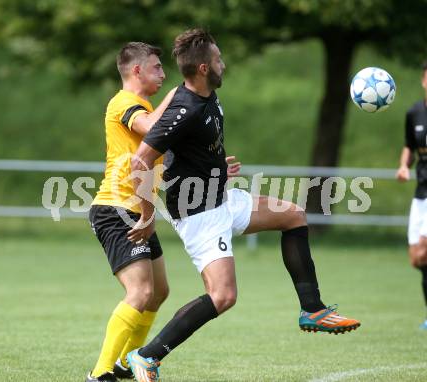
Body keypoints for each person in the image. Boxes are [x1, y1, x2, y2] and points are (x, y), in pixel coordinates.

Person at [126, 29, 361, 382]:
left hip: (222, 197)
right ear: (204, 68)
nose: (224, 64)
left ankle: (312, 310)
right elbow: (140, 162)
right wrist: (146, 216)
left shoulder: (208, 96)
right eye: (219, 60)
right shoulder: (184, 109)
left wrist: (217, 166)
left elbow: (192, 150)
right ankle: (146, 356)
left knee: (293, 215)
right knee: (222, 296)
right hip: (198, 212)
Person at [85, 42, 177, 382]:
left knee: (159, 292)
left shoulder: (144, 107)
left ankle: (128, 361)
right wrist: (179, 94)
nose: (163, 74)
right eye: (156, 67)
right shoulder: (125, 103)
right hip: (116, 208)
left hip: (138, 209)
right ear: (136, 70)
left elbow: (162, 163)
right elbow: (154, 127)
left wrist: (212, 171)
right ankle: (100, 373)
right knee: (139, 292)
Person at [396, 61, 427, 330]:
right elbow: (409, 145)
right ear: (423, 79)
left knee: (425, 251)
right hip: (420, 193)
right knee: (417, 258)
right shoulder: (414, 112)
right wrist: (404, 165)